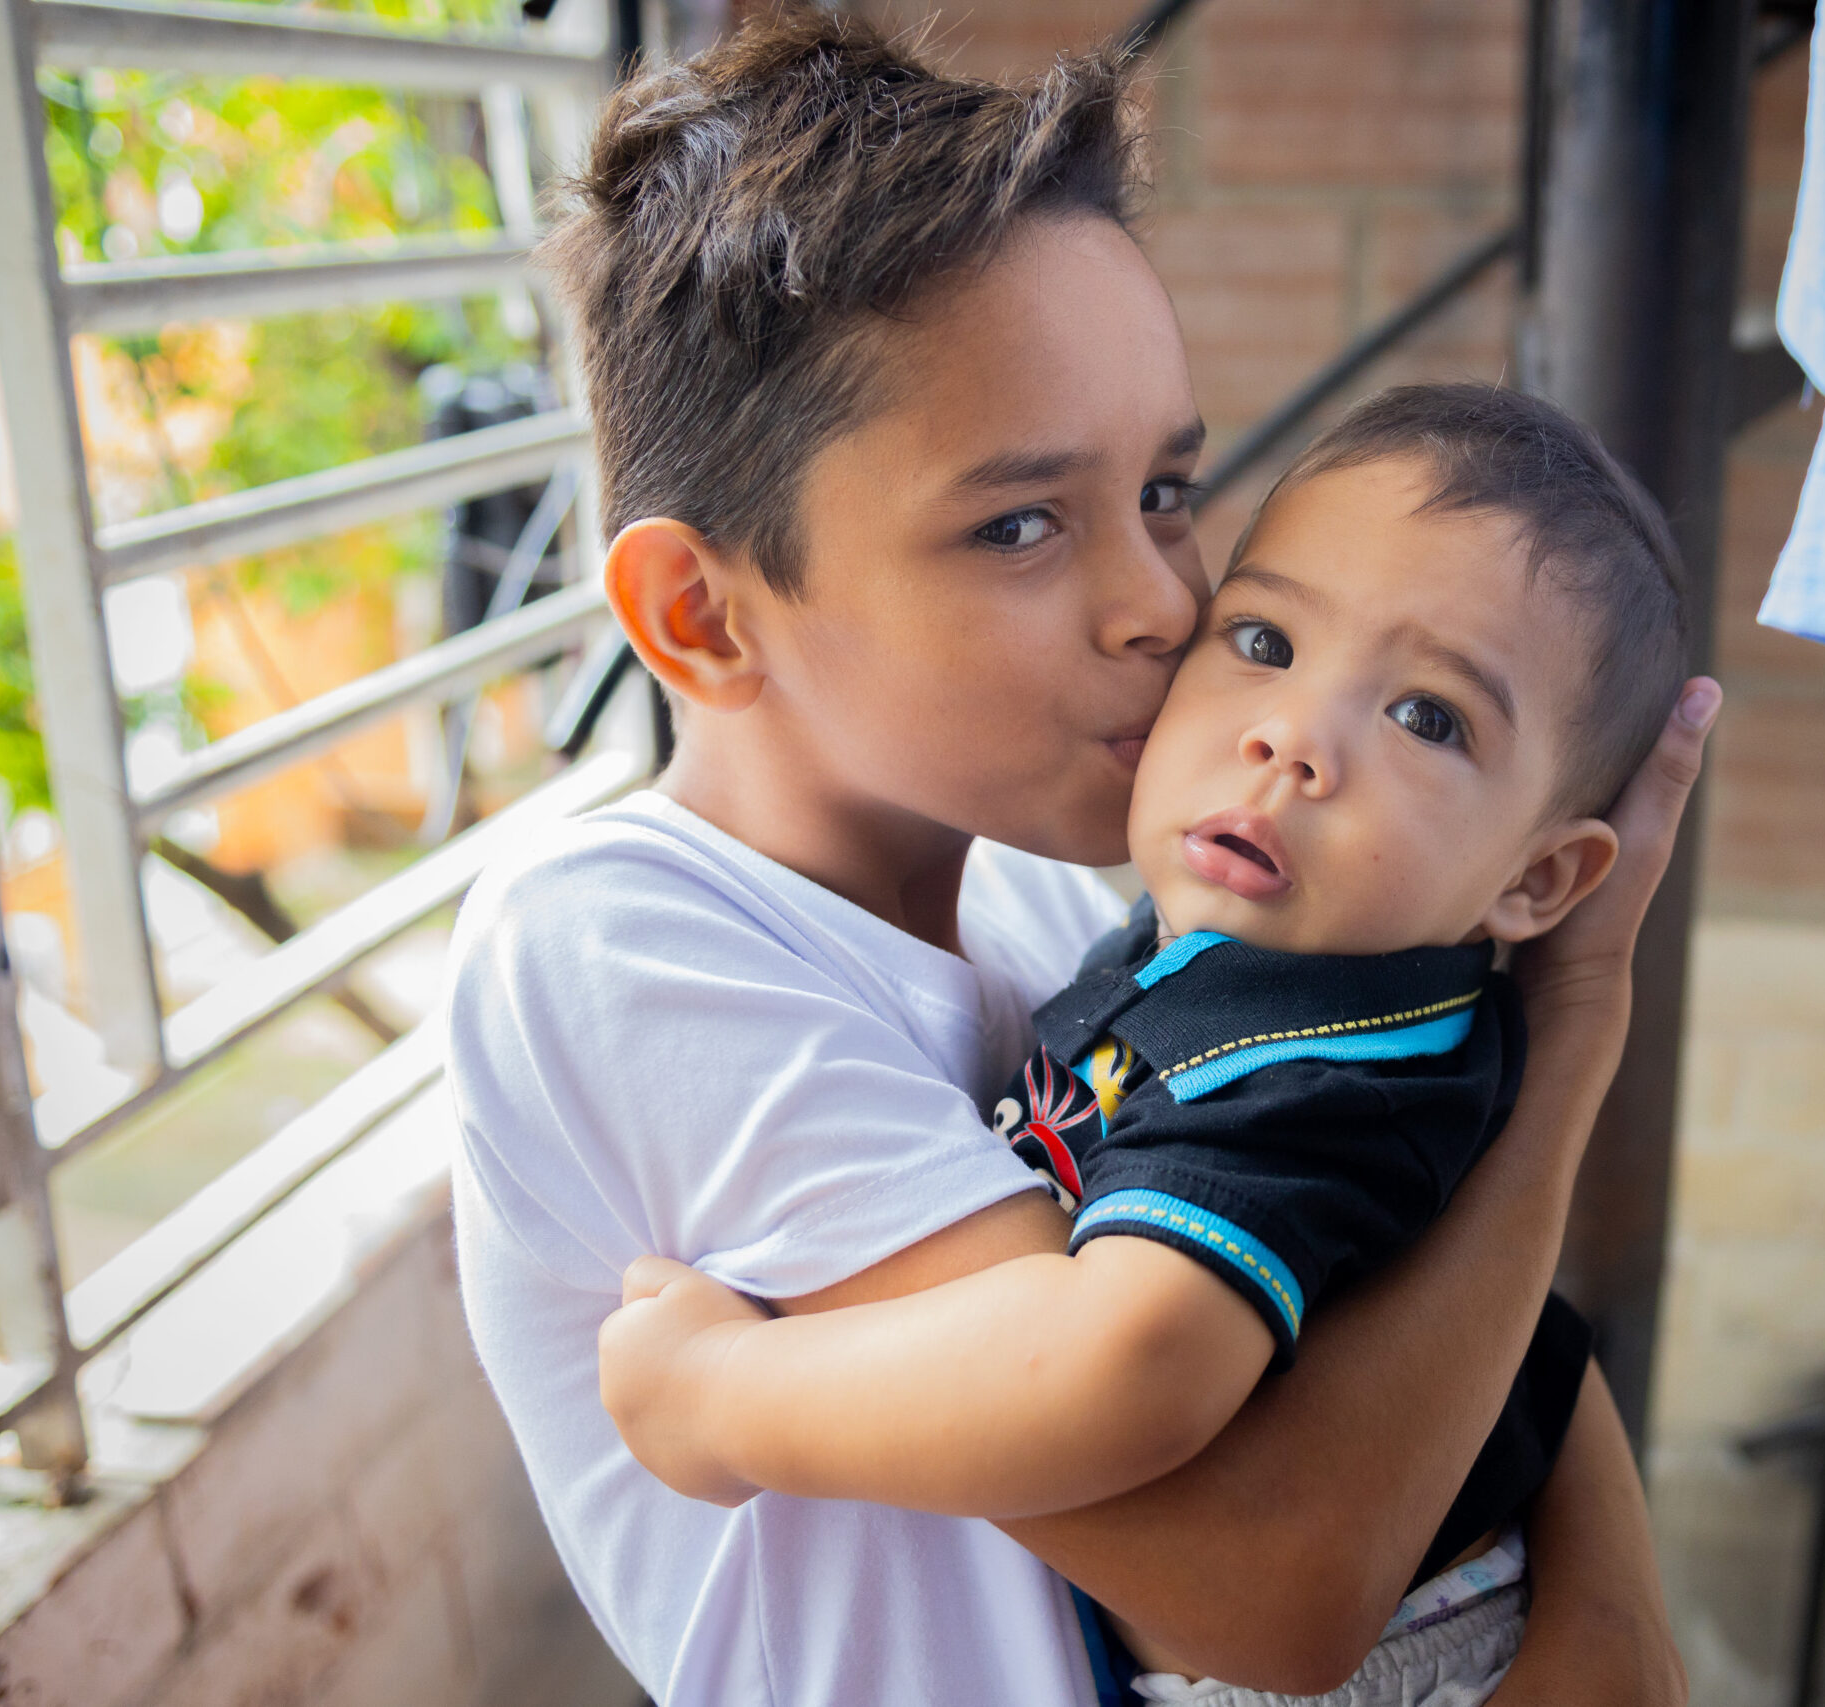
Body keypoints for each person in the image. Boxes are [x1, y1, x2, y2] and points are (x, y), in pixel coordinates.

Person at [443, 11, 1717, 1704]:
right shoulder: (620, 946)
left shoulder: (1069, 902)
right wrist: (1564, 1057)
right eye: (1022, 525)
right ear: (702, 616)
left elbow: (1398, 1256)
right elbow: (1264, 1590)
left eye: (1170, 490)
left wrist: (1612, 1615)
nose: (1168, 606)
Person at [599, 382, 1690, 1705]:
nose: (1290, 739)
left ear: (1539, 879)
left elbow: (1125, 1367)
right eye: (1266, 636)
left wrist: (725, 1398)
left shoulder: (1317, 1068)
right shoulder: (1207, 965)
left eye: (1427, 718)